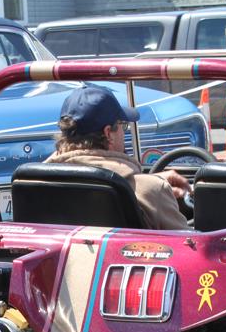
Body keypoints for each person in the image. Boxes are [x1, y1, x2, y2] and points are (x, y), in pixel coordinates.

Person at [45, 85, 191, 230]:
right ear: (108, 133)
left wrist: (146, 181)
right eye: (123, 125)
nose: (124, 131)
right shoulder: (153, 191)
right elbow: (189, 242)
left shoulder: (39, 184)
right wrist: (154, 187)